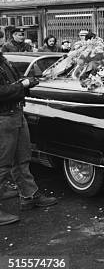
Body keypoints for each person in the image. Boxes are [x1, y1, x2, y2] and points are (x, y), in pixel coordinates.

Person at [0, 49, 58, 225]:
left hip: (15, 113)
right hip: (3, 118)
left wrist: (26, 83)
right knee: (2, 164)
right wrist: (23, 85)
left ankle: (29, 195)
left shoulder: (3, 60)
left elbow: (11, 84)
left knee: (22, 159)